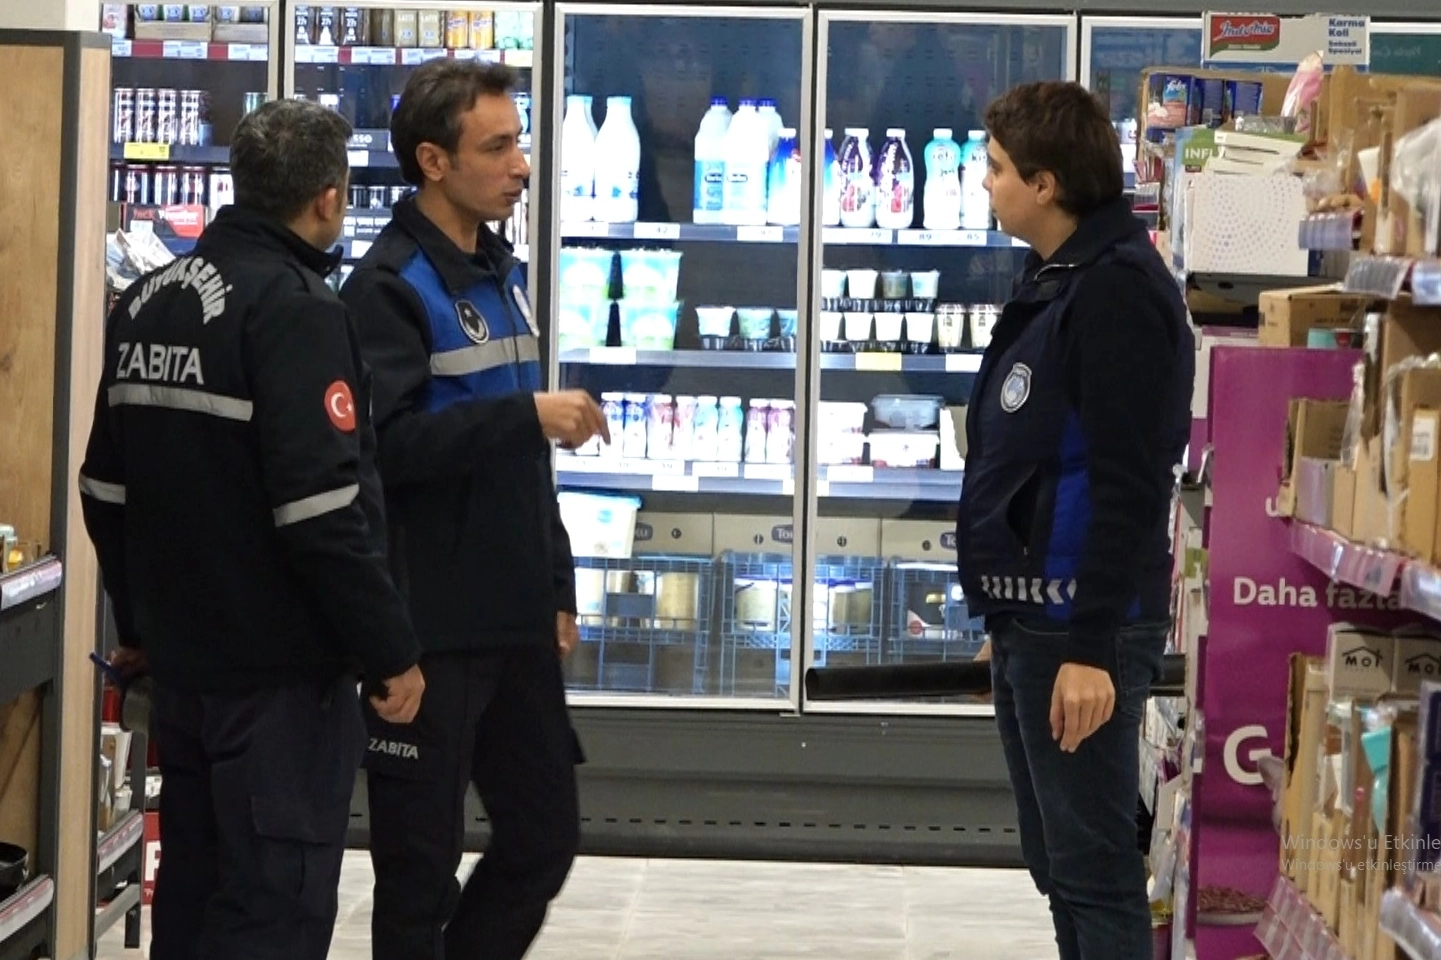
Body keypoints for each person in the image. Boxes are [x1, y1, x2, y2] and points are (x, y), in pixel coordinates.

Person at [78, 98, 427, 960]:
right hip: (280, 683)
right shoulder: (298, 310)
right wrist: (388, 648)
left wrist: (143, 623)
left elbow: (103, 487)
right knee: (274, 906)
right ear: (327, 198)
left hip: (184, 671)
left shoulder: (148, 299)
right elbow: (323, 512)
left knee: (193, 900)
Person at [339, 59, 608, 960]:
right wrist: (524, 415)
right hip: (431, 629)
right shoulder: (388, 287)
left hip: (515, 617)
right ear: (433, 160)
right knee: (417, 870)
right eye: (496, 147)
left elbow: (523, 463)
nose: (520, 165)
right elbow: (384, 451)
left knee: (543, 836)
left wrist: (556, 581)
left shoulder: (500, 271)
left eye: (518, 143)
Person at [954, 81, 1195, 960]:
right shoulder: (1060, 276)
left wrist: (1089, 647)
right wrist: (1004, 611)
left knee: (1091, 870)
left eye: (995, 168)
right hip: (1035, 622)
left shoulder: (1115, 292)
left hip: (1078, 629)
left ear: (1044, 183)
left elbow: (1128, 485)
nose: (986, 183)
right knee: (1056, 863)